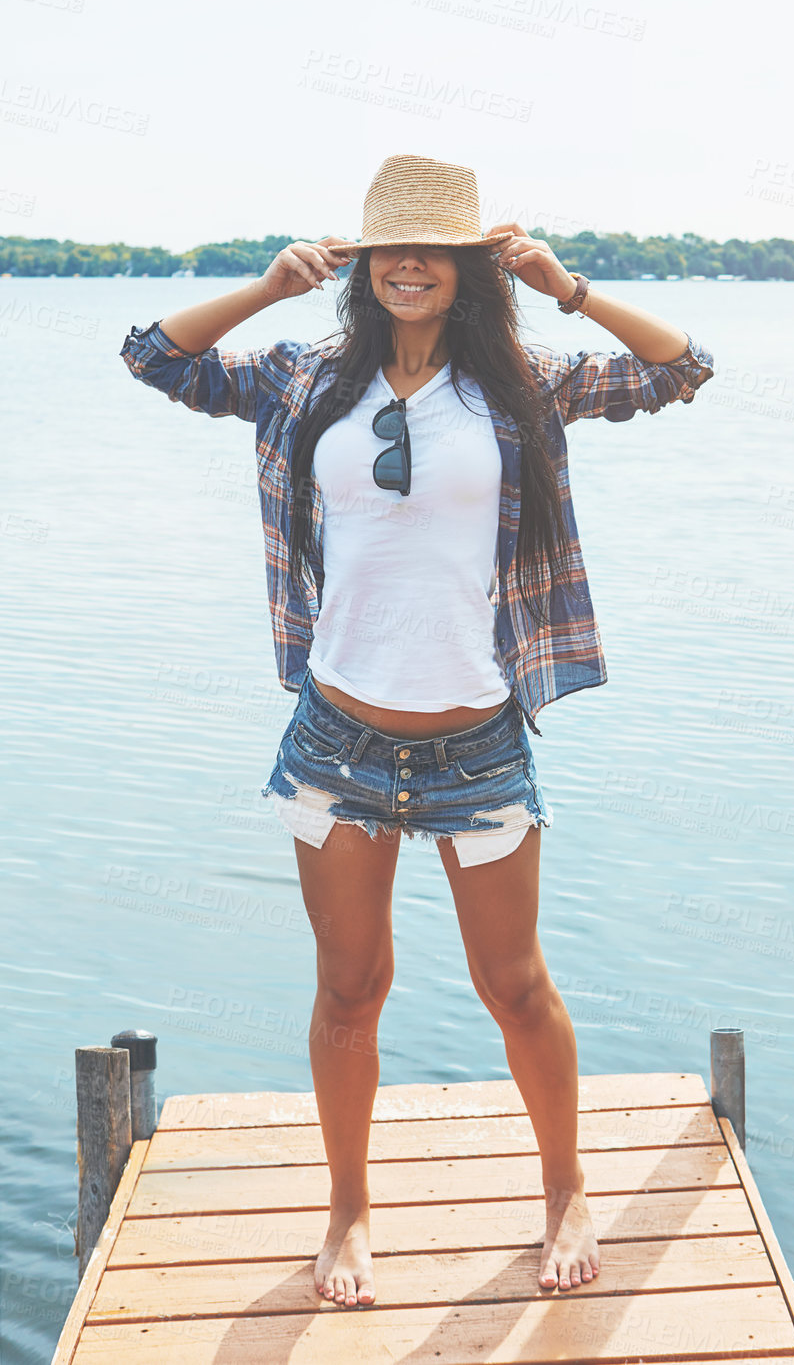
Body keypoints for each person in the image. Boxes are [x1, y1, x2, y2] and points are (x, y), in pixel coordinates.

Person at [119, 152, 715, 1307]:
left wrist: (565, 284)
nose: (408, 263)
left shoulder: (523, 385)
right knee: (349, 989)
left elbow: (680, 366)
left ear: (463, 268)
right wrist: (264, 286)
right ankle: (347, 1212)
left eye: (432, 248)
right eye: (389, 244)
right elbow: (154, 355)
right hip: (334, 737)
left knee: (514, 984)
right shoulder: (302, 376)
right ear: (363, 262)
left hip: (476, 743)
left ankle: (565, 1189)